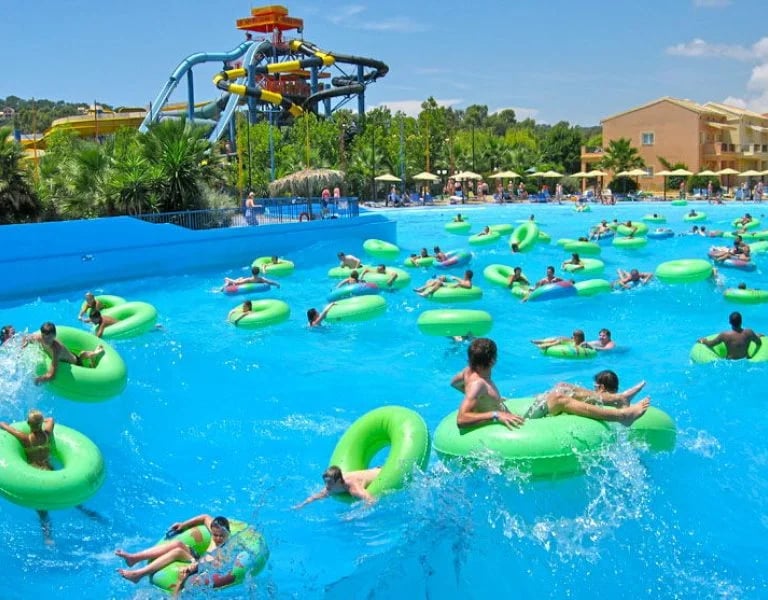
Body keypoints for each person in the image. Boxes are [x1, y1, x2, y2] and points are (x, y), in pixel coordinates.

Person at [0, 410, 105, 544]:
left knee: (42, 511)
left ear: (28, 424)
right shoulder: (47, 434)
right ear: (41, 423)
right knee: (72, 500)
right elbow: (51, 419)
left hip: (36, 475)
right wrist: (43, 421)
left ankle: (48, 538)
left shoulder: (25, 438)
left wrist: (4, 425)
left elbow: (4, 426)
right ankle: (89, 513)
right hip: (50, 468)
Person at [115, 514, 233, 588]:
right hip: (199, 558)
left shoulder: (226, 548)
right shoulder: (216, 530)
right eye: (215, 535)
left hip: (201, 566)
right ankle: (134, 558)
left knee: (178, 552)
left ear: (228, 532)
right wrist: (183, 524)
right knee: (177, 543)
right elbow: (205, 517)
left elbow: (209, 564)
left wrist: (192, 567)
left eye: (221, 536)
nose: (217, 538)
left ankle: (139, 574)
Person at [523, 370, 650, 424]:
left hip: (524, 415)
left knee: (562, 385)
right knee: (559, 397)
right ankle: (622, 416)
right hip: (526, 423)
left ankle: (619, 399)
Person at [451, 338, 524, 429]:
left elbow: (454, 383)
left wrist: (485, 398)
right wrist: (495, 415)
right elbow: (461, 420)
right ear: (493, 361)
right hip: (495, 426)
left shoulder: (467, 371)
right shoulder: (479, 384)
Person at [24, 322, 105, 384]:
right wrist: (23, 347)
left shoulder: (56, 350)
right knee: (79, 355)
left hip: (75, 363)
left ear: (54, 336)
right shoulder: (38, 337)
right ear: (41, 334)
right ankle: (87, 354)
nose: (46, 340)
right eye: (44, 337)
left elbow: (51, 375)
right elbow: (26, 337)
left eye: (49, 338)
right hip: (70, 355)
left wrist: (39, 379)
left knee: (86, 364)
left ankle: (94, 353)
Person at [294, 465, 379, 508]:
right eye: (325, 482)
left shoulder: (353, 487)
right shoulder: (331, 487)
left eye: (329, 482)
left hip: (379, 472)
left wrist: (354, 515)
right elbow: (316, 496)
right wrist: (301, 505)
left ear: (338, 481)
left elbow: (372, 500)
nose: (327, 486)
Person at [697, 311, 762, 360]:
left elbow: (711, 344)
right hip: (745, 359)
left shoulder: (724, 335)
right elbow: (759, 343)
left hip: (730, 362)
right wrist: (756, 336)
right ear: (741, 321)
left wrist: (703, 341)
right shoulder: (749, 332)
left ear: (730, 322)